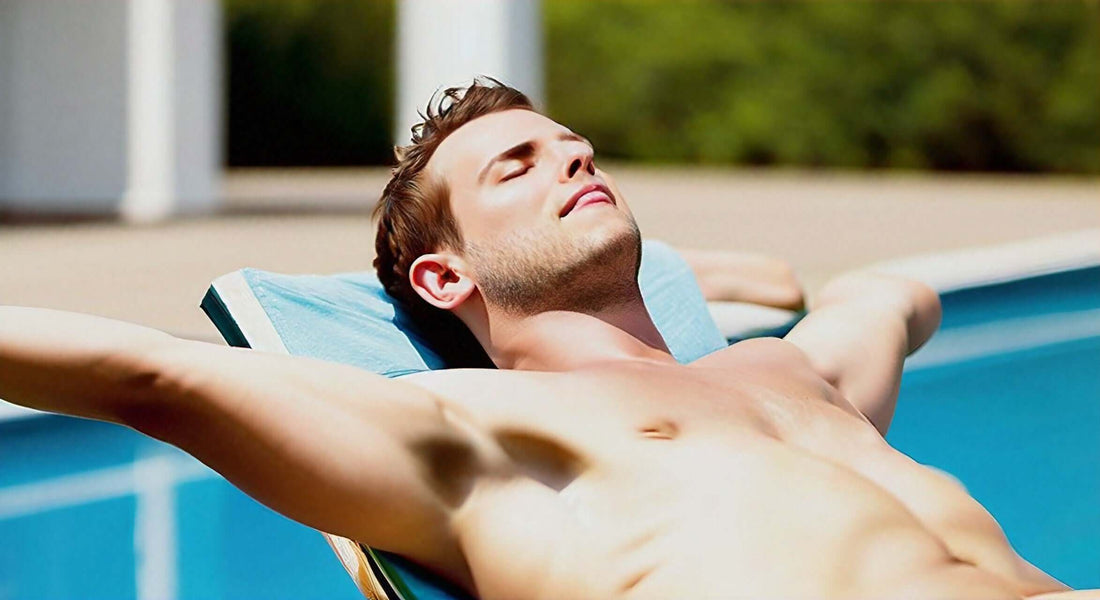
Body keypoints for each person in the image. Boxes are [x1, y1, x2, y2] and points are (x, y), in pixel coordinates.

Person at [0, 79, 1082, 599]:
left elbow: (891, 296)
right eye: (515, 168)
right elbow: (151, 376)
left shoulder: (792, 373)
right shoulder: (475, 434)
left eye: (575, 151)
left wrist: (695, 274)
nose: (571, 161)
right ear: (445, 277)